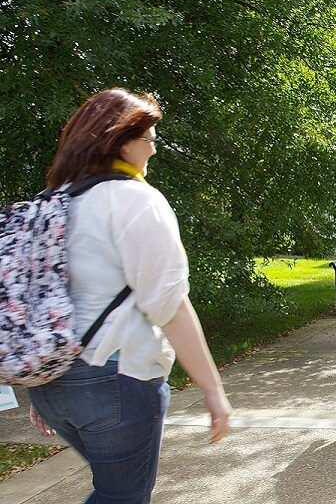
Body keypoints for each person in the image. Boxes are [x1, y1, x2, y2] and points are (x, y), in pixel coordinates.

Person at [26, 88, 232, 503]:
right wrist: (213, 388)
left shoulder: (53, 203)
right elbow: (169, 305)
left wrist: (43, 380)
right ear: (121, 141)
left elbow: (38, 301)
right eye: (150, 140)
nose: (153, 151)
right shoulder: (135, 200)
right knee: (122, 498)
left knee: (117, 491)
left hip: (52, 385)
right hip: (114, 380)